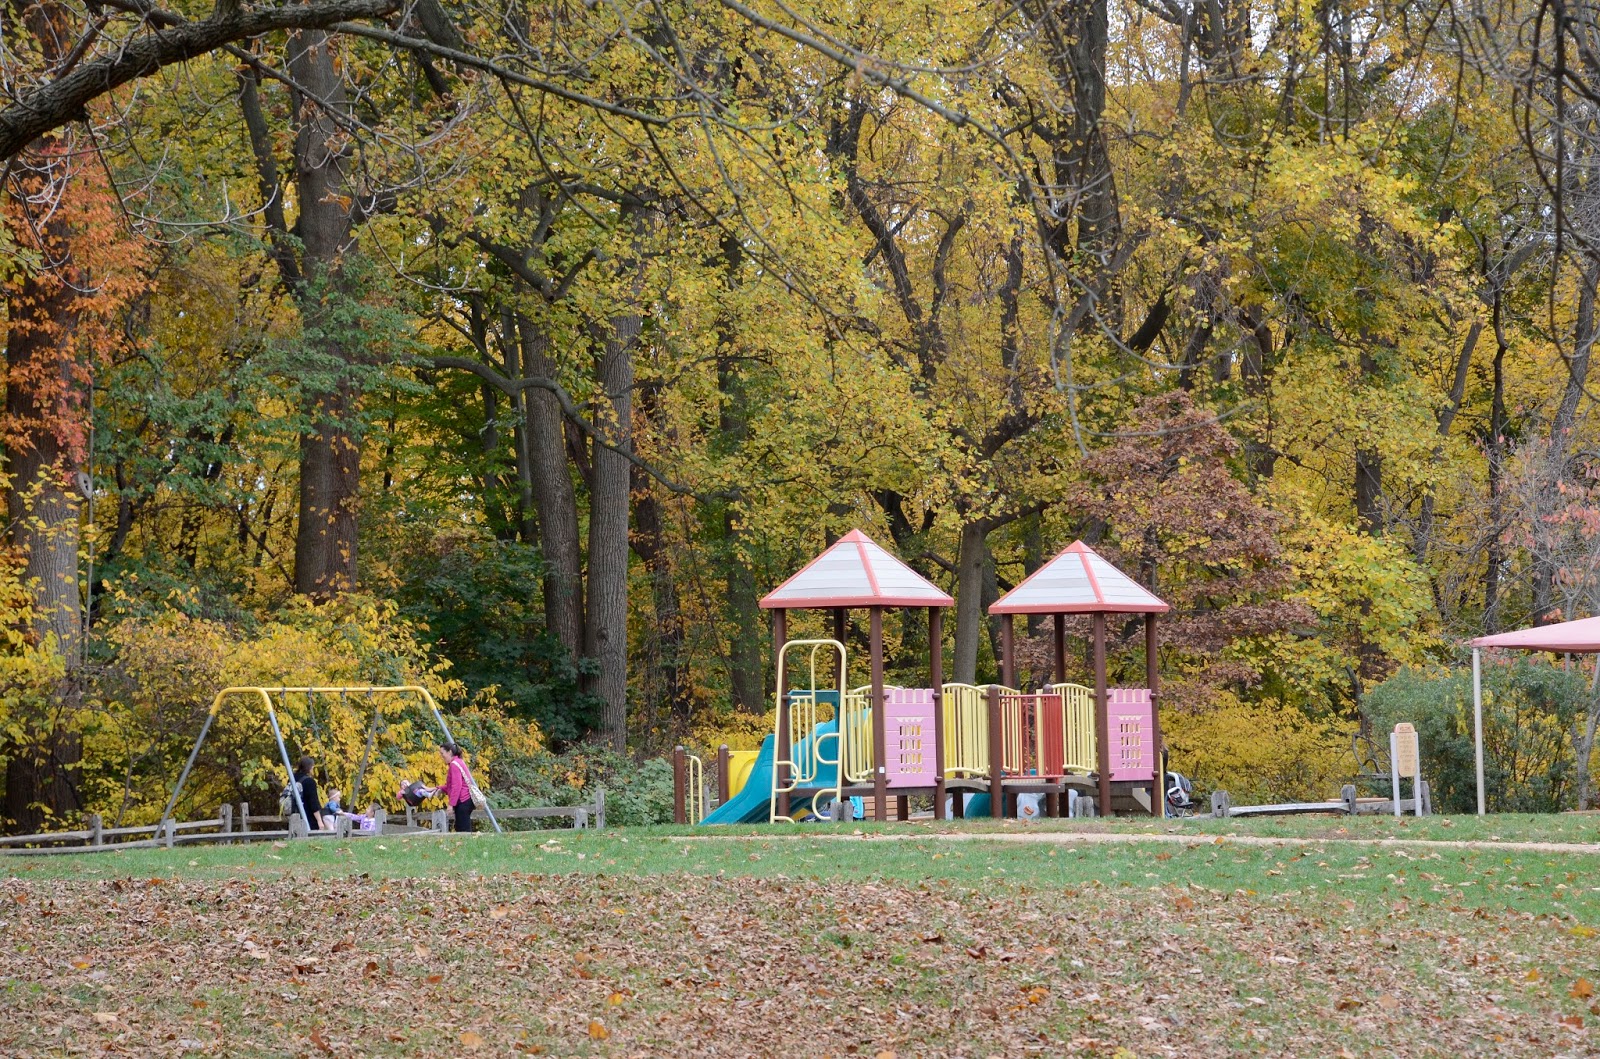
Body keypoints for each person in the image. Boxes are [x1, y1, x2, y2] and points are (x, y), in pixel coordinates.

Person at [438, 742, 475, 833]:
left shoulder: (454, 764)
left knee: (463, 830)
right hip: (466, 800)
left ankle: (466, 846)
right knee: (461, 827)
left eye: (442, 753)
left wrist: (451, 805)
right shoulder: (459, 761)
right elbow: (451, 785)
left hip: (463, 800)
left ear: (449, 752)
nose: (442, 756)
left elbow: (456, 786)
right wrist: (438, 788)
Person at [290, 755, 325, 832]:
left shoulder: (293, 778)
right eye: (312, 767)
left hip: (294, 814)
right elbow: (313, 803)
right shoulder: (309, 782)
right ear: (309, 767)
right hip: (308, 817)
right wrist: (319, 820)